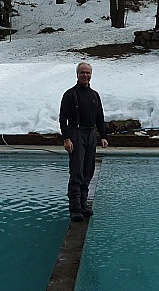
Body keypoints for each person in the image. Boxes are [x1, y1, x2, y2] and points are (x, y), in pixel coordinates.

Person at [59, 61, 109, 222]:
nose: (85, 75)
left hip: (90, 134)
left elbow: (100, 117)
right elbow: (63, 118)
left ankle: (83, 205)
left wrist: (103, 136)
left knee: (88, 170)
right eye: (82, 73)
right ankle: (75, 208)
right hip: (76, 133)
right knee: (77, 171)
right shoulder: (70, 94)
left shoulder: (94, 95)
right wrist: (66, 138)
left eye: (88, 73)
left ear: (91, 75)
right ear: (77, 74)